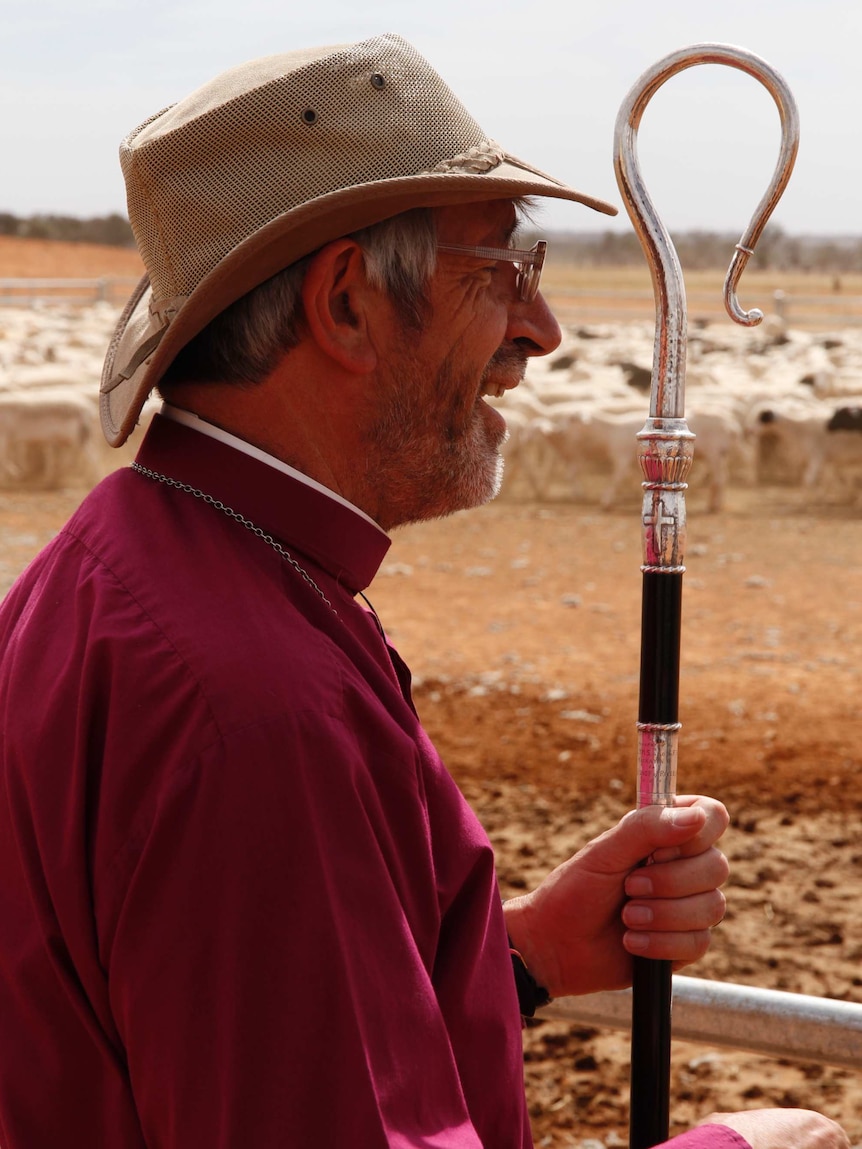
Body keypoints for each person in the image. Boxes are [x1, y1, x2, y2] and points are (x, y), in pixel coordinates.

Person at [0, 33, 848, 1149]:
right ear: (347, 303)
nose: (539, 331)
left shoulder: (135, 566)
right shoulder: (252, 707)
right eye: (501, 272)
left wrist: (523, 959)